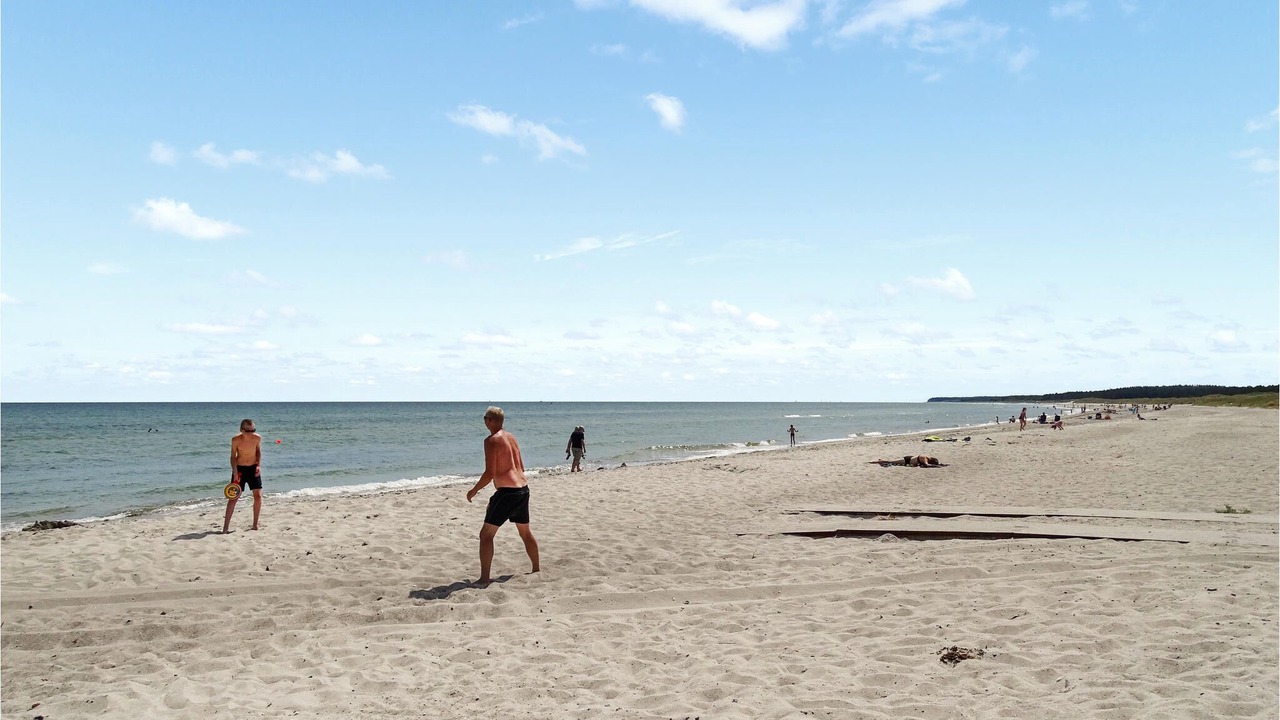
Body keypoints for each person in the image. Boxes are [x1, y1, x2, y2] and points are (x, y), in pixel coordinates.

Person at [466, 406, 539, 585]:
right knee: (525, 532)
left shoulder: (491, 440)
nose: (484, 421)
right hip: (523, 489)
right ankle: (536, 568)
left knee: (486, 536)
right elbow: (520, 466)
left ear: (490, 421)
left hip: (508, 493)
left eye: (485, 418)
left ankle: (484, 578)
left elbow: (490, 472)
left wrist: (474, 490)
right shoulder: (512, 437)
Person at [223, 419, 263, 534]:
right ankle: (225, 527)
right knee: (233, 497)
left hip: (253, 468)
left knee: (258, 496)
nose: (251, 433)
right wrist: (235, 471)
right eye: (248, 431)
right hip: (239, 469)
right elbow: (232, 456)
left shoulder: (257, 438)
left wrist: (258, 466)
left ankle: (255, 524)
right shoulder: (236, 440)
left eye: (253, 430)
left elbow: (258, 452)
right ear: (241, 430)